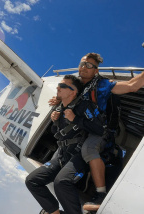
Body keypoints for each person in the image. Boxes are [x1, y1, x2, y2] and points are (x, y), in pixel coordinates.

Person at [49, 52, 144, 210]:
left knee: (89, 148)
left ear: (96, 71)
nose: (83, 67)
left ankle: (101, 194)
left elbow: (132, 86)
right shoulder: (77, 85)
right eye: (81, 64)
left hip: (97, 128)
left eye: (88, 65)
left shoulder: (102, 85)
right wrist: (58, 100)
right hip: (80, 128)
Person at [26, 75, 105, 214]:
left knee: (61, 183)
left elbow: (100, 129)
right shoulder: (58, 109)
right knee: (32, 181)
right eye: (58, 86)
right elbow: (58, 133)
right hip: (61, 154)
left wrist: (76, 119)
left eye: (63, 86)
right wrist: (54, 122)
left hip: (79, 154)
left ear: (73, 92)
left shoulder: (84, 106)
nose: (58, 88)